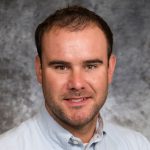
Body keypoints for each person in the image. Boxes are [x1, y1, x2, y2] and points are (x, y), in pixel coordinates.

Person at [0, 5, 150, 150]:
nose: (77, 84)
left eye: (91, 66)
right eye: (61, 67)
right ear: (39, 70)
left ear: (110, 69)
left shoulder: (138, 145)